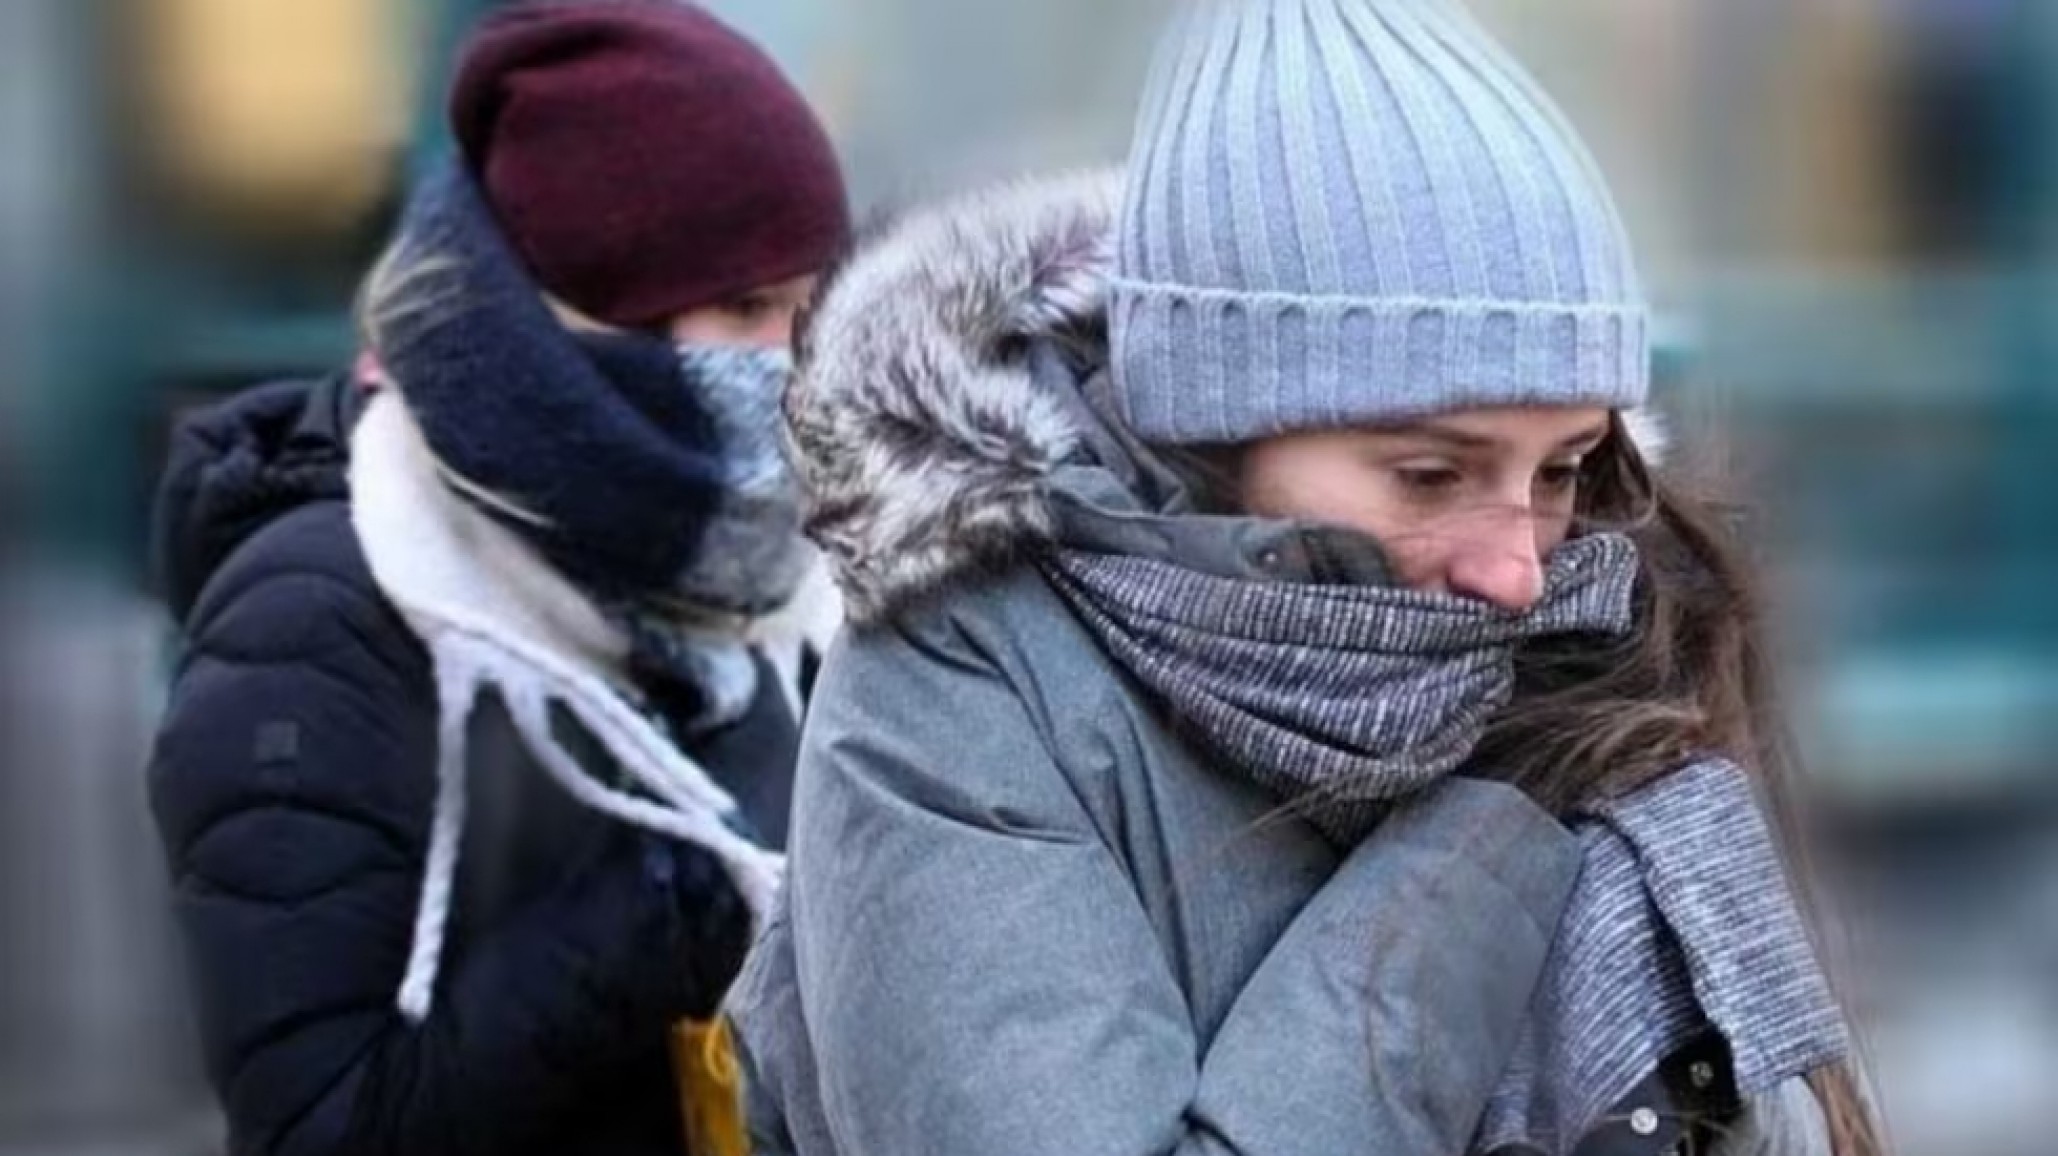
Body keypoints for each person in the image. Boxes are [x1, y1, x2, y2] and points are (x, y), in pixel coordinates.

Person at [729, 1, 1885, 1155]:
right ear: (1216, 426)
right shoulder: (957, 687)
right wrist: (1481, 848)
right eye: (1431, 474)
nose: (1519, 572)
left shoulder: (1594, 639)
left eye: (1562, 469)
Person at [145, 3, 849, 1154]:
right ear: (584, 323)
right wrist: (668, 907)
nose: (795, 364)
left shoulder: (766, 582)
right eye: (748, 308)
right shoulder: (318, 622)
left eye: (811, 309)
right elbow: (317, 1125)